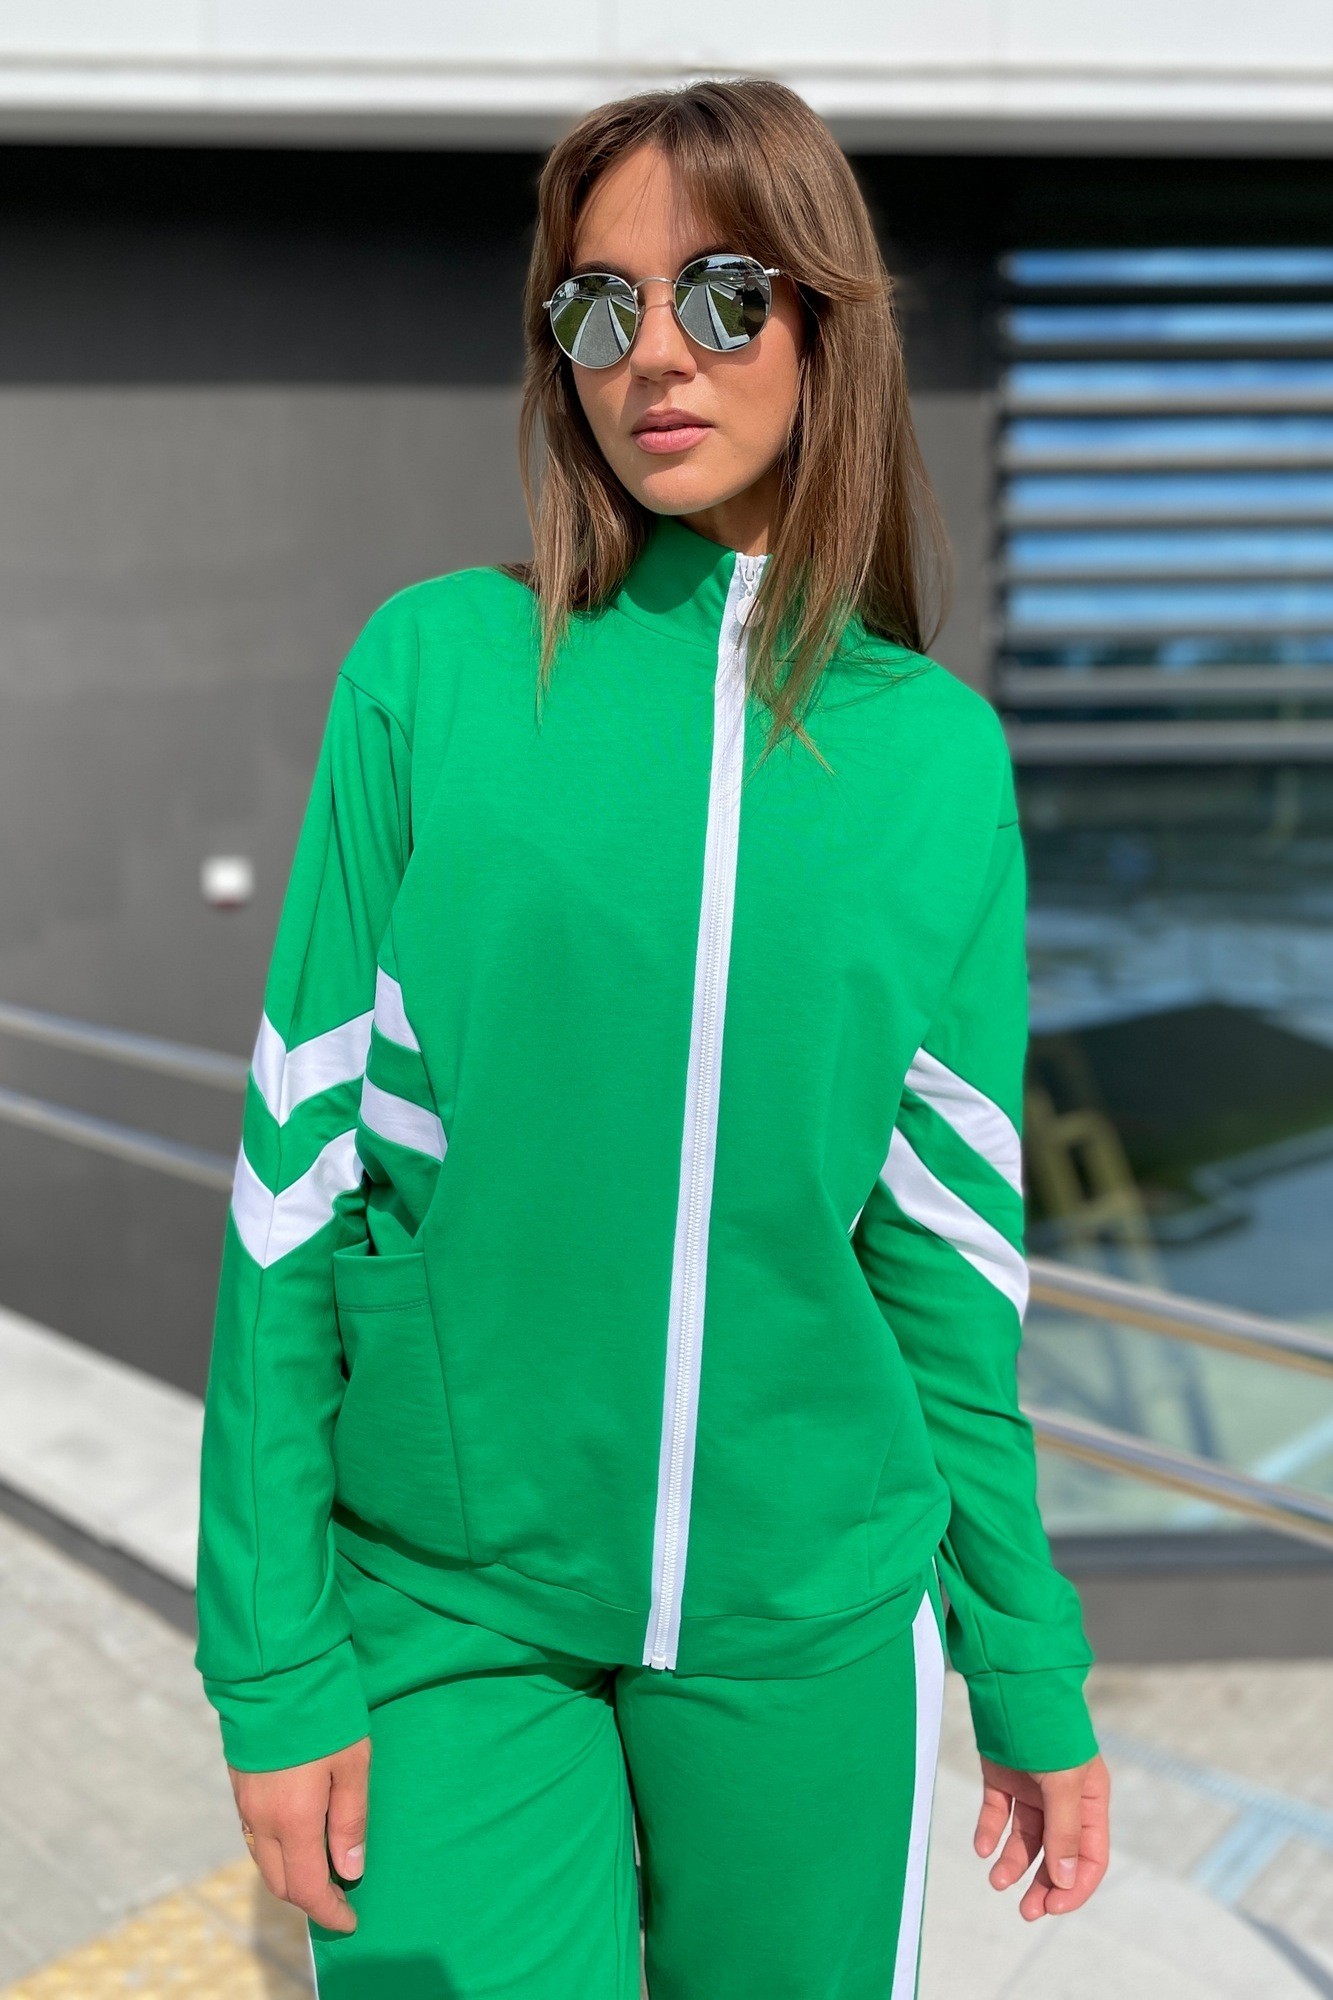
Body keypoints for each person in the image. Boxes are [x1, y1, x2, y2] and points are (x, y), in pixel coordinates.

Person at [194, 74, 1111, 2000]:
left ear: (822, 325)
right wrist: (273, 1661)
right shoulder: (437, 670)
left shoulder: (933, 759)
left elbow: (944, 1255)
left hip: (809, 1622)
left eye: (721, 291)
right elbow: (292, 1185)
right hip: (452, 1605)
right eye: (596, 305)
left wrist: (1024, 1657)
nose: (655, 353)